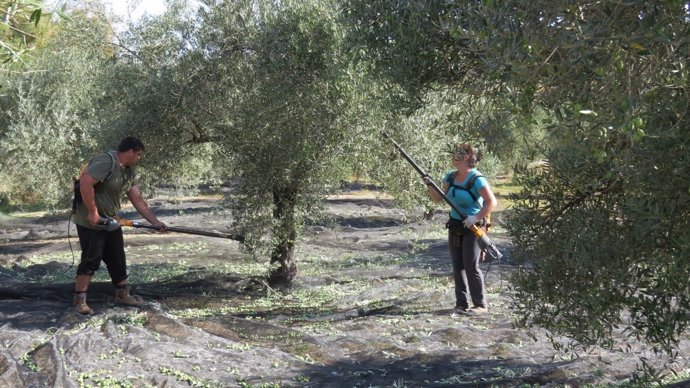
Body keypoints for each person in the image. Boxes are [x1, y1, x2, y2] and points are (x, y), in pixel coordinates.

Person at [72, 136, 166, 315]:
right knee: (91, 258)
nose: (139, 158)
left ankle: (122, 295)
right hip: (90, 220)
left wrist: (155, 223)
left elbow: (137, 199)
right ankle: (79, 299)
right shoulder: (106, 161)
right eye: (138, 154)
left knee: (117, 256)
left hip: (111, 220)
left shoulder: (128, 171)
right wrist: (93, 212)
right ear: (130, 152)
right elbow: (85, 183)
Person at [423, 143, 497, 315]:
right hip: (455, 225)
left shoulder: (477, 179)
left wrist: (475, 218)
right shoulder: (450, 176)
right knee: (458, 266)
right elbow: (437, 199)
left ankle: (480, 305)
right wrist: (429, 185)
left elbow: (491, 202)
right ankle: (461, 304)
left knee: (471, 265)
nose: (453, 156)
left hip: (474, 227)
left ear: (465, 157)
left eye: (457, 154)